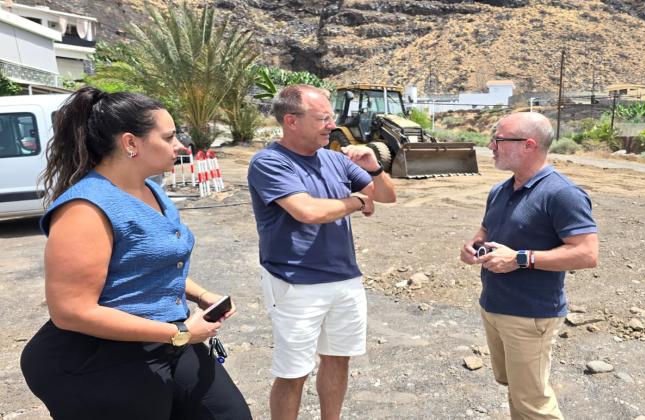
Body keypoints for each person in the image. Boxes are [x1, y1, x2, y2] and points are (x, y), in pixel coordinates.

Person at [19, 87, 252, 420]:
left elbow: (152, 262)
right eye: (169, 137)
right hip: (98, 356)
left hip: (164, 336)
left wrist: (201, 295)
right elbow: (70, 311)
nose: (180, 146)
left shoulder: (151, 188)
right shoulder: (85, 209)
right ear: (131, 143)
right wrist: (181, 333)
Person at [247, 84, 397, 420]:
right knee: (293, 371)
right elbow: (307, 211)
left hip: (344, 279)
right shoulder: (269, 162)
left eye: (331, 117)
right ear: (292, 121)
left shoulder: (334, 159)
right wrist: (357, 201)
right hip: (295, 283)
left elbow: (387, 196)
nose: (331, 125)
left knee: (338, 359)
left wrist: (374, 168)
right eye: (323, 118)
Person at [459, 112, 599, 419]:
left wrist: (520, 259)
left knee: (533, 402)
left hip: (530, 315)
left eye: (498, 139)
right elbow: (486, 232)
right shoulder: (500, 190)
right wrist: (473, 247)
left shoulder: (563, 194)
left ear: (528, 145)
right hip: (495, 307)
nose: (491, 146)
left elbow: (587, 254)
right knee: (515, 387)